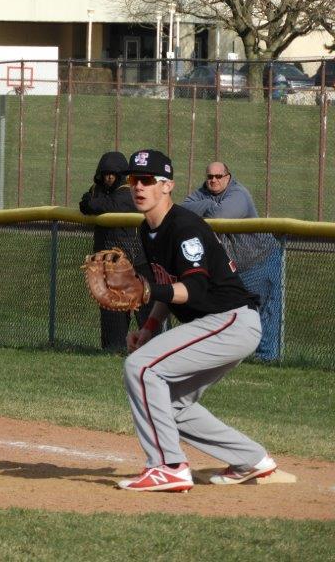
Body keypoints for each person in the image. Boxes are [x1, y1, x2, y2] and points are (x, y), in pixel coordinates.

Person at [117, 149, 277, 492]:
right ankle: (251, 459)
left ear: (168, 185)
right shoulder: (149, 230)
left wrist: (147, 290)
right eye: (134, 180)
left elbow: (192, 288)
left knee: (141, 369)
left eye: (147, 180)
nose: (139, 187)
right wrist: (148, 327)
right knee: (170, 402)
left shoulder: (184, 227)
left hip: (228, 320)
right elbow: (166, 282)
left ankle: (168, 466)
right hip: (218, 325)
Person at [181, 162, 283, 361]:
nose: (213, 180)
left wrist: (207, 207)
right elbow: (181, 210)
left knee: (265, 312)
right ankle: (234, 355)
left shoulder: (238, 193)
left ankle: (267, 360)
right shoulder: (203, 193)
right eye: (210, 176)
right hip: (234, 266)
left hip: (261, 258)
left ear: (228, 177)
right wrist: (210, 203)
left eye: (219, 176)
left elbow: (221, 215)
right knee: (233, 312)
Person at [80, 151, 154, 352]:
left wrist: (93, 203)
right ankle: (113, 349)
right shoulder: (98, 190)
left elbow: (112, 205)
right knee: (112, 311)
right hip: (108, 264)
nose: (108, 177)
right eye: (105, 174)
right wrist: (91, 202)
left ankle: (156, 349)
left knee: (146, 311)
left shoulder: (129, 191)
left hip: (136, 261)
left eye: (113, 173)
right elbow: (84, 203)